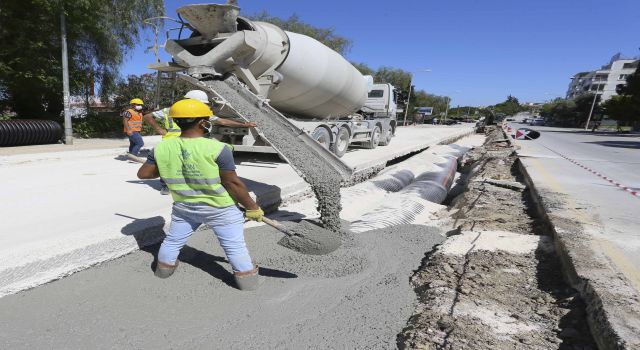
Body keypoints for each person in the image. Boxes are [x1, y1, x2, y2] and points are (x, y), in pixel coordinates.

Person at [137, 98, 264, 291]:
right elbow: (232, 183)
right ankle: (247, 281)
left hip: (184, 207)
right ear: (202, 122)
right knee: (234, 246)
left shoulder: (161, 148)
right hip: (220, 209)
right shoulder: (218, 148)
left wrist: (167, 166)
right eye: (207, 119)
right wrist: (252, 208)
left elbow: (144, 174)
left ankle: (163, 269)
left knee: (172, 240)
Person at [144, 90, 257, 194]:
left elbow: (221, 121)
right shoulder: (173, 110)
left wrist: (244, 124)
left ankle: (178, 184)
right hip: (179, 140)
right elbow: (148, 116)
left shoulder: (185, 110)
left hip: (184, 141)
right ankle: (167, 186)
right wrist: (159, 130)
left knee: (179, 164)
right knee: (173, 163)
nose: (204, 105)